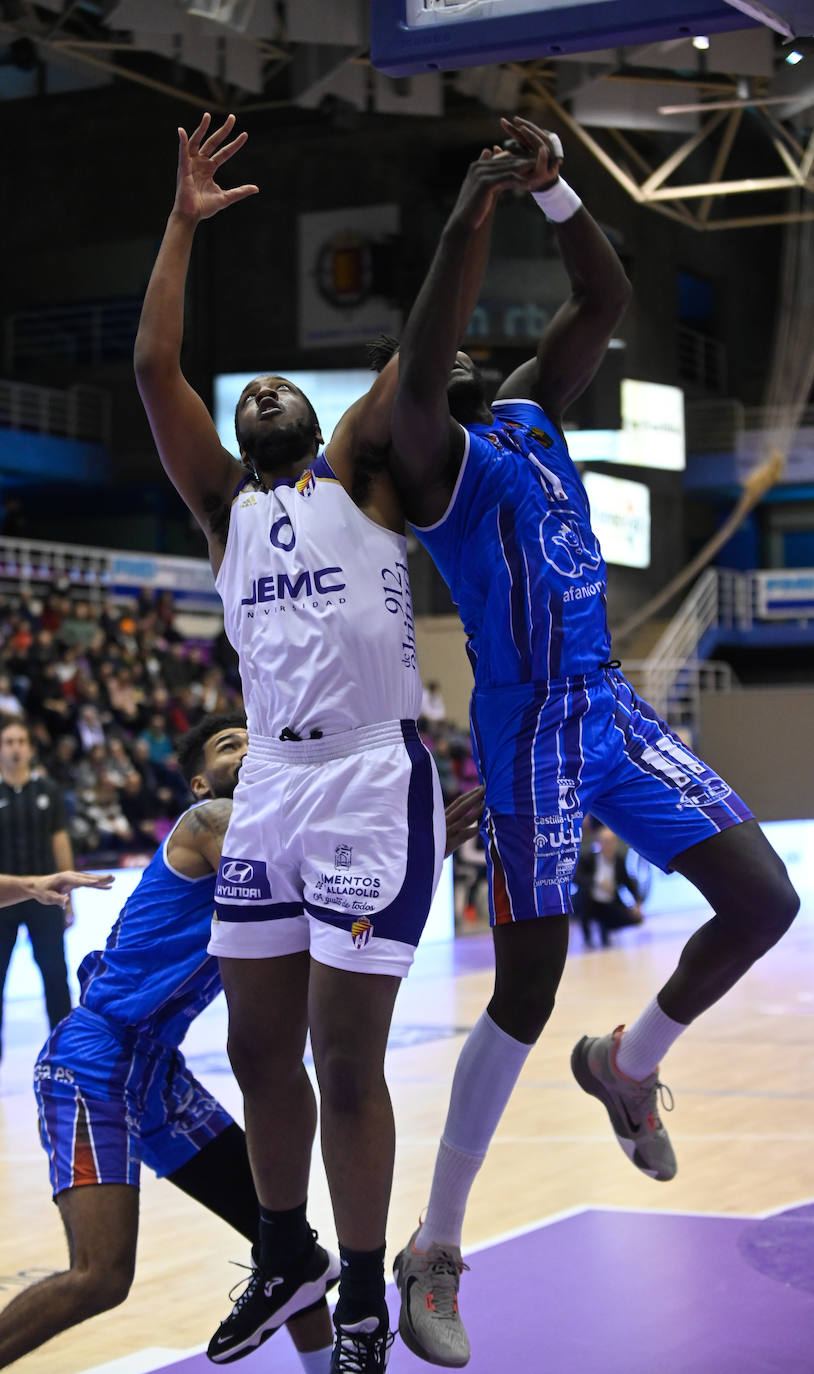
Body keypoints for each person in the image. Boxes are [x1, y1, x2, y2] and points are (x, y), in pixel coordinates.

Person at [385, 117, 799, 1367]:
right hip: (525, 736)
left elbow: (605, 291)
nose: (461, 343)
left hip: (609, 706)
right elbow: (417, 360)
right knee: (522, 988)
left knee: (763, 901)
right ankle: (434, 1249)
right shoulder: (432, 455)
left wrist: (555, 193)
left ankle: (628, 1065)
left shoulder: (523, 411)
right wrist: (470, 207)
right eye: (439, 342)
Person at [133, 110, 507, 1373]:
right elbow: (152, 371)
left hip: (366, 775)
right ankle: (283, 1246)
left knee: (346, 1062)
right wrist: (182, 225)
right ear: (242, 433)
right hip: (277, 782)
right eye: (254, 393)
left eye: (292, 383)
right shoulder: (222, 511)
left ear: (320, 411)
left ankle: (359, 1295)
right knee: (253, 1049)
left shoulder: (361, 473)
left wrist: (467, 213)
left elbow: (424, 344)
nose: (270, 387)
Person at [0, 713, 335, 1373]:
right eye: (228, 745)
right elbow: (296, 888)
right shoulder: (208, 822)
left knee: (289, 1248)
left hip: (156, 1072)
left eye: (250, 737)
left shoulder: (270, 834)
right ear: (199, 782)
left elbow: (314, 888)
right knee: (101, 1276)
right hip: (92, 1064)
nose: (247, 748)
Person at [0, 715, 79, 1065]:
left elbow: (60, 842)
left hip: (45, 896)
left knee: (55, 974)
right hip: (3, 899)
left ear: (30, 749)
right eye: (9, 742)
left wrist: (69, 897)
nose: (15, 748)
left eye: (21, 741)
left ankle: (64, 1055)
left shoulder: (48, 791)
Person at [573, 825, 643, 948]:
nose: (608, 846)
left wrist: (637, 902)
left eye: (611, 842)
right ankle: (587, 937)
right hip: (589, 901)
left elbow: (628, 882)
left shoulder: (619, 861)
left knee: (635, 918)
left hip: (609, 901)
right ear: (598, 843)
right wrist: (597, 881)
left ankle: (606, 931)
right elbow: (577, 878)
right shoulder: (589, 858)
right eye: (605, 842)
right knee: (585, 904)